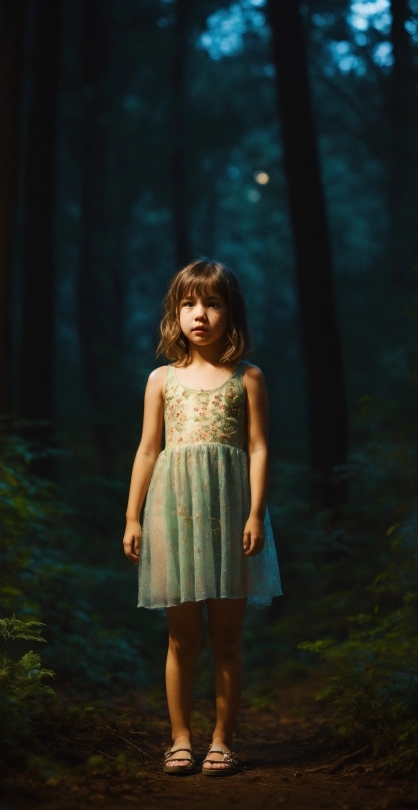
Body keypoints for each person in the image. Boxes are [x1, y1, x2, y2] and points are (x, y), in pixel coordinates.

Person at [123, 260, 282, 777]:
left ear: (230, 313)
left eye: (213, 303)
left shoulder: (247, 377)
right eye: (189, 304)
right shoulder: (161, 380)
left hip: (231, 514)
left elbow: (258, 449)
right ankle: (180, 739)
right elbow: (148, 450)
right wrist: (133, 518)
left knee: (227, 639)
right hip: (175, 515)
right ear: (175, 313)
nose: (201, 314)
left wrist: (256, 513)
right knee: (181, 638)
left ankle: (223, 739)